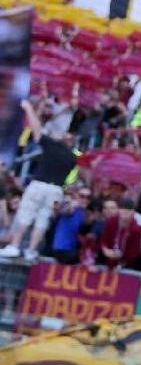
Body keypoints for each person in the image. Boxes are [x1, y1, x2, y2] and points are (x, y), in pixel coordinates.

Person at [0, 99, 77, 260]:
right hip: (56, 189)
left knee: (25, 215)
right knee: (43, 220)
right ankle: (31, 250)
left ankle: (15, 246)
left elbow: (36, 130)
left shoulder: (53, 145)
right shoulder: (72, 158)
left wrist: (29, 108)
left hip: (39, 185)